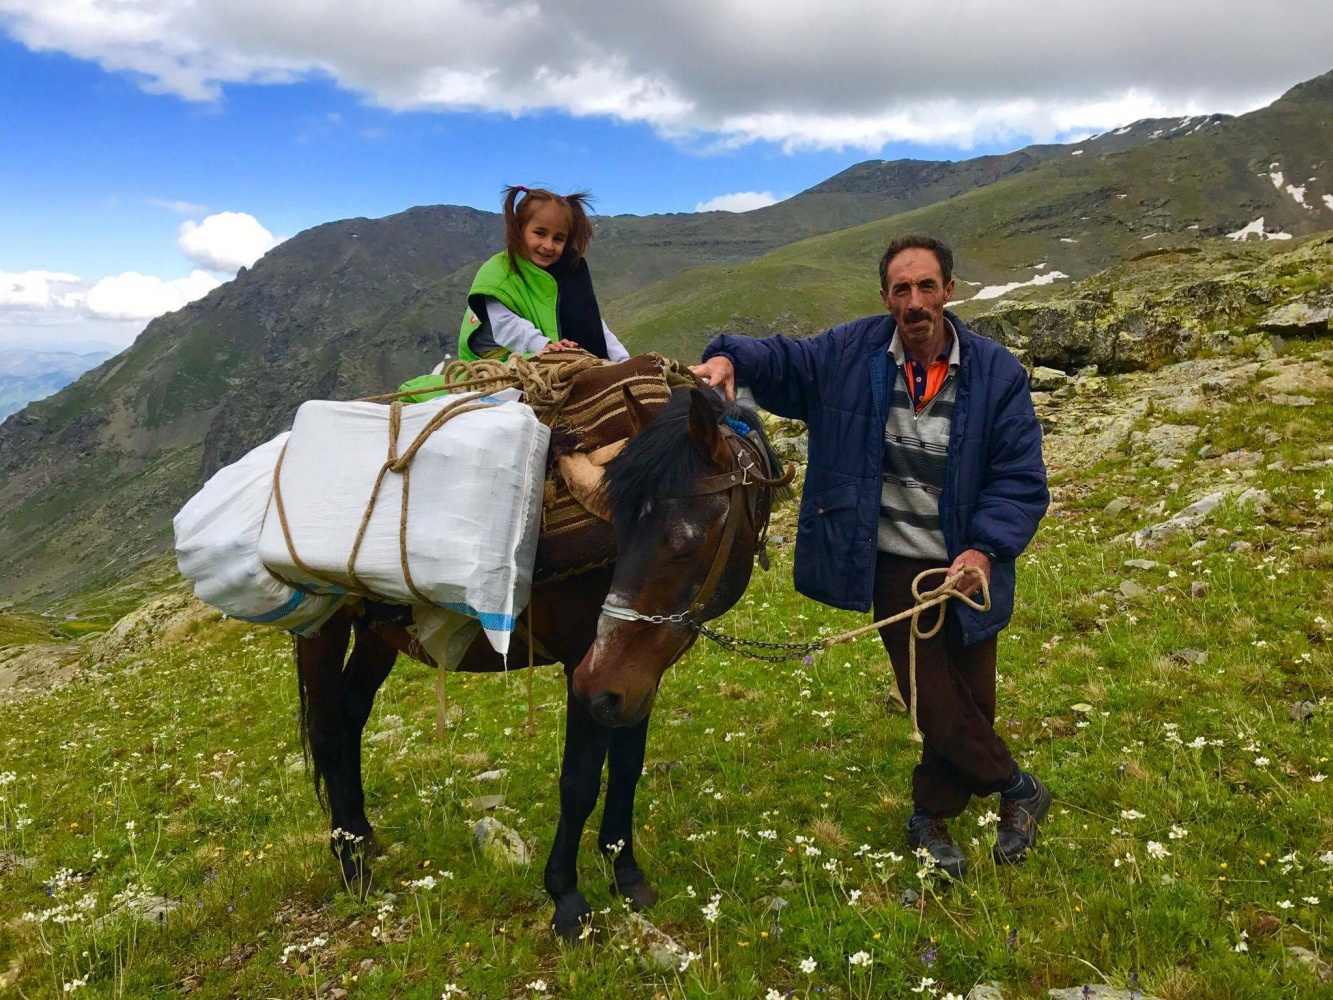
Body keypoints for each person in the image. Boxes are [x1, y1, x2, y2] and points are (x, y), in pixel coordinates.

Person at [689, 235, 1050, 878]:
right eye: (902, 289)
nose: (915, 302)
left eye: (927, 286)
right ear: (885, 297)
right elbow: (782, 359)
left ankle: (932, 813)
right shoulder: (848, 354)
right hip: (890, 562)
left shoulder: (997, 373)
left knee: (974, 698)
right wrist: (727, 357)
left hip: (968, 567)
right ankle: (1018, 790)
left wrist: (986, 549)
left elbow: (1019, 477)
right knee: (933, 697)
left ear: (950, 291)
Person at [458, 185, 630, 363]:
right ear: (519, 229)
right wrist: (541, 345)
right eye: (540, 233)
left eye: (558, 238)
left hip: (541, 352)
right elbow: (505, 324)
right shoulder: (498, 272)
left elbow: (593, 324)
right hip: (496, 361)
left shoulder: (565, 274)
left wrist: (623, 360)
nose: (548, 245)